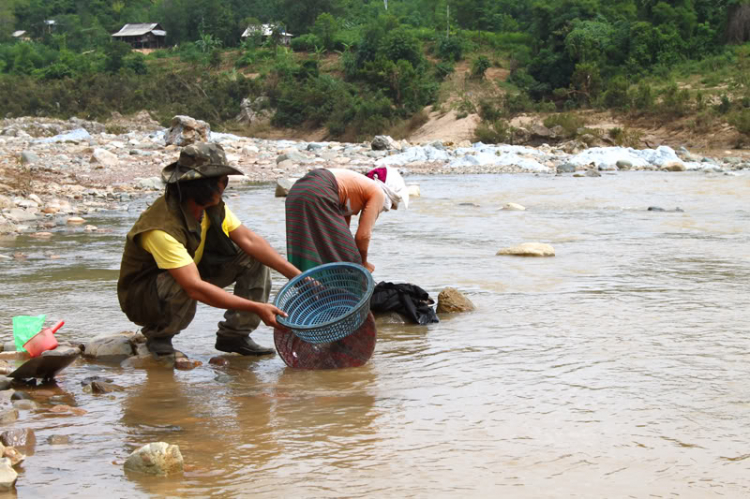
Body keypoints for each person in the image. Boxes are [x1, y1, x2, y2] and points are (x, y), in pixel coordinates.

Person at [117, 142, 301, 356]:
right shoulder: (161, 228)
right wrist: (258, 308)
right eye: (223, 181)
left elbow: (250, 241)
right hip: (145, 297)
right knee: (181, 282)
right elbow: (194, 287)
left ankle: (234, 336)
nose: (225, 186)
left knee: (253, 257)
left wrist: (297, 277)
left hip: (189, 272)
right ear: (208, 186)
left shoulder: (210, 206)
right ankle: (160, 336)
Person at [284, 167, 409, 273]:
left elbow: (341, 235)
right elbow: (363, 236)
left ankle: (312, 290)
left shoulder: (354, 188)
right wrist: (363, 264)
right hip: (320, 190)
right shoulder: (378, 193)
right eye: (390, 205)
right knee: (350, 260)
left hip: (297, 191)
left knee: (309, 246)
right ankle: (340, 295)